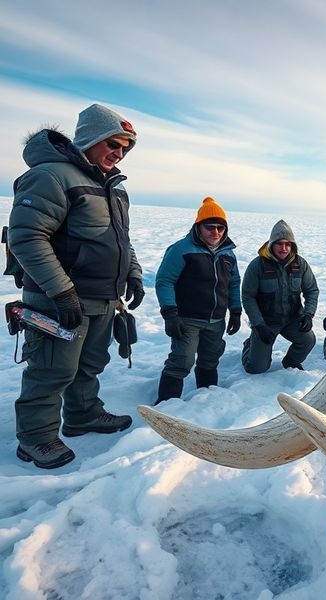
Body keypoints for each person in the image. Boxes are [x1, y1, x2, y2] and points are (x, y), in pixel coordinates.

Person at [7, 103, 143, 469]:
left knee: (89, 365)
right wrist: (61, 291)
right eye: (113, 143)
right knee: (52, 370)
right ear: (90, 138)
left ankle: (83, 415)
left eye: (125, 148)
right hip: (58, 299)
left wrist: (133, 274)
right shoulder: (51, 176)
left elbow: (121, 240)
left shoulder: (112, 187)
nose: (119, 153)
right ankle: (35, 439)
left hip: (102, 299)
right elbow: (27, 237)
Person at [154, 197, 242, 404]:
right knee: (182, 361)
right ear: (198, 227)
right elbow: (164, 281)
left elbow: (234, 283)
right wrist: (170, 313)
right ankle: (165, 406)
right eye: (210, 227)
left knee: (210, 359)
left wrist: (235, 311)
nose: (216, 232)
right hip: (187, 318)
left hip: (216, 320)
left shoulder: (228, 254)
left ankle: (206, 402)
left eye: (220, 228)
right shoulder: (181, 250)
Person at [241, 220, 318, 372]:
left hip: (292, 319)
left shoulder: (300, 265)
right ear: (271, 244)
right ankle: (249, 346)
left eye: (288, 244)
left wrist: (308, 314)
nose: (284, 248)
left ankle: (290, 362)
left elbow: (312, 291)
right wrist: (259, 325)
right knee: (256, 368)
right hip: (266, 322)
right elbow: (248, 297)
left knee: (308, 340)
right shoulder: (257, 266)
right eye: (279, 244)